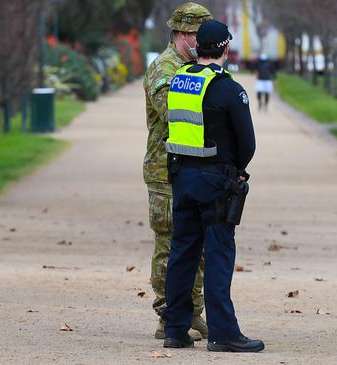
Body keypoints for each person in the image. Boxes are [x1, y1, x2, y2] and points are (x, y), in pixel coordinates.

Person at [162, 19, 264, 353]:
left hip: (182, 175)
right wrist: (238, 169)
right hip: (216, 178)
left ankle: (175, 329)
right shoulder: (228, 88)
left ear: (197, 46)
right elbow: (247, 143)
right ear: (224, 48)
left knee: (182, 252)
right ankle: (223, 334)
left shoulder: (179, 80)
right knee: (219, 254)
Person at [142, 2, 211, 341]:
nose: (203, 43)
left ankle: (192, 311)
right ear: (183, 34)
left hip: (192, 168)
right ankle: (168, 314)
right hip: (164, 170)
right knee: (170, 245)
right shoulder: (164, 68)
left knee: (196, 245)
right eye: (199, 36)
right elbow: (173, 110)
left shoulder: (196, 67)